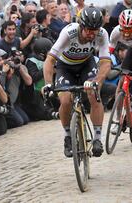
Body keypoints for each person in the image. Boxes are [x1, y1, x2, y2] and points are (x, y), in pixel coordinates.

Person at [42, 6, 111, 158]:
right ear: (81, 26)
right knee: (65, 100)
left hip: (86, 64)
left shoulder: (102, 34)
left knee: (94, 93)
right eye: (88, 30)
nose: (92, 34)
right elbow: (50, 59)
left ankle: (98, 138)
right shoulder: (68, 32)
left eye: (95, 30)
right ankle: (67, 136)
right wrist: (48, 84)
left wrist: (97, 80)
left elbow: (106, 62)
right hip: (65, 67)